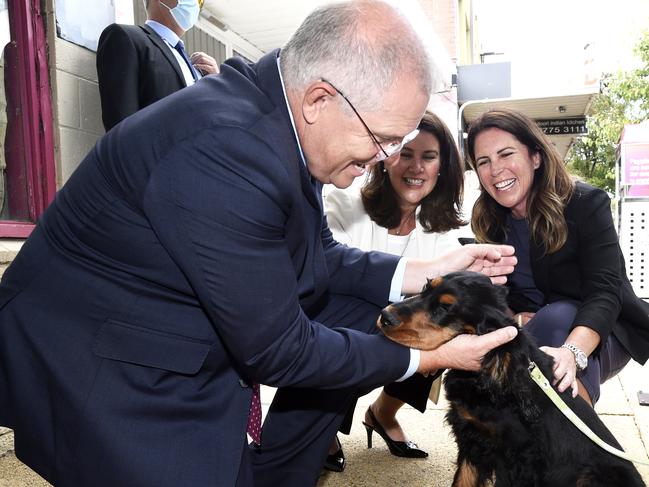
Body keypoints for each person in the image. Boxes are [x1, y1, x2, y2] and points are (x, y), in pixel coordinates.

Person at [0, 3, 518, 487]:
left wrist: (428, 269)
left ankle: (279, 470)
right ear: (320, 99)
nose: (386, 158)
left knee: (361, 307)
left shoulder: (284, 121)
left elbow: (322, 256)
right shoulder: (228, 152)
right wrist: (425, 359)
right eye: (384, 139)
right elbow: (280, 350)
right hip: (108, 357)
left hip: (161, 316)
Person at [466, 107, 649, 407]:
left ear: (535, 157)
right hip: (530, 330)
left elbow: (605, 293)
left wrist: (571, 352)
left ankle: (580, 441)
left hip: (599, 334)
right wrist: (514, 319)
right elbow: (490, 298)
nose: (495, 169)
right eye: (484, 161)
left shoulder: (585, 204)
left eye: (506, 154)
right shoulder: (489, 221)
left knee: (558, 317)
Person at [324, 111, 470, 463]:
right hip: (336, 331)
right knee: (354, 321)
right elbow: (330, 282)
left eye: (428, 157)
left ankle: (383, 412)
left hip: (396, 333)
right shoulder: (344, 202)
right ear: (386, 157)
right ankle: (322, 428)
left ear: (442, 167)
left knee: (441, 326)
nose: (416, 167)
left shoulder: (445, 232)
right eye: (406, 153)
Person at [96, 0, 219, 131]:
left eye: (200, 2)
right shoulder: (127, 38)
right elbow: (122, 127)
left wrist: (219, 89)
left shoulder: (198, 69)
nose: (195, 3)